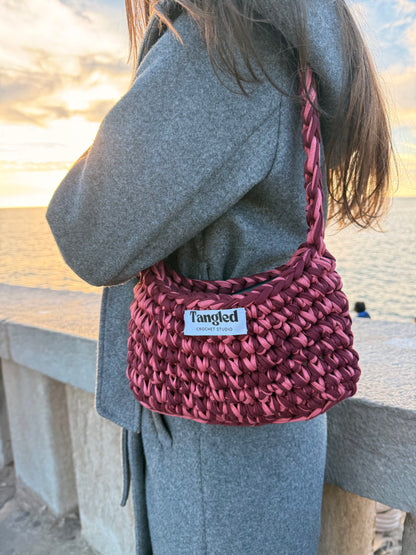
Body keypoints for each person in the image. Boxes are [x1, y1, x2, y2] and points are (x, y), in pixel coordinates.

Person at [46, 1, 392, 553]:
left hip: (217, 446)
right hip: (252, 427)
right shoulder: (283, 40)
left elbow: (87, 229)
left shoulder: (225, 50)